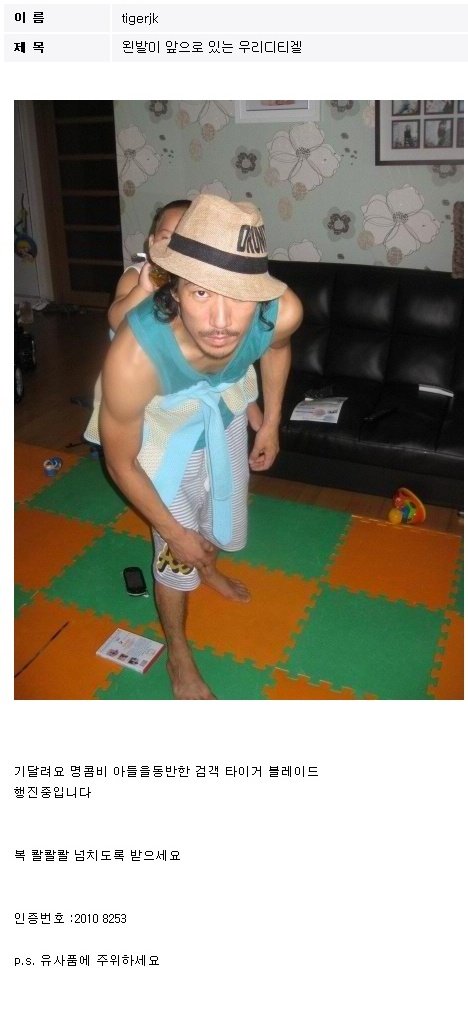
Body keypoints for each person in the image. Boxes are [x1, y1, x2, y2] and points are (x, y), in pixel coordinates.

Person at [86, 194, 303, 699]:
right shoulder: (135, 356)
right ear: (174, 285)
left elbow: (277, 349)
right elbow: (120, 462)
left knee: (219, 511)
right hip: (160, 429)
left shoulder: (282, 312)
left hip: (223, 410)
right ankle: (178, 651)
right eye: (201, 292)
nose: (221, 321)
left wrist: (270, 423)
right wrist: (172, 532)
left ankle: (209, 567)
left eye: (239, 296)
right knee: (176, 547)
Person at [108, 199, 191, 333]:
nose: (172, 247)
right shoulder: (136, 275)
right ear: (152, 243)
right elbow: (116, 322)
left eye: (184, 241)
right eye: (165, 238)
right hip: (137, 343)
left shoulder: (197, 281)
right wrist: (143, 289)